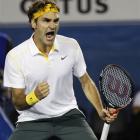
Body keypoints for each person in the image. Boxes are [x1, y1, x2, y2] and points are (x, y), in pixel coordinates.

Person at [3, 0, 118, 140]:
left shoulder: (71, 45)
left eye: (56, 20)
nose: (52, 26)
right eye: (46, 20)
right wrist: (34, 96)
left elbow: (86, 82)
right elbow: (18, 102)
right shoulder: (16, 56)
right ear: (33, 23)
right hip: (32, 120)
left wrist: (100, 110)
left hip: (69, 116)